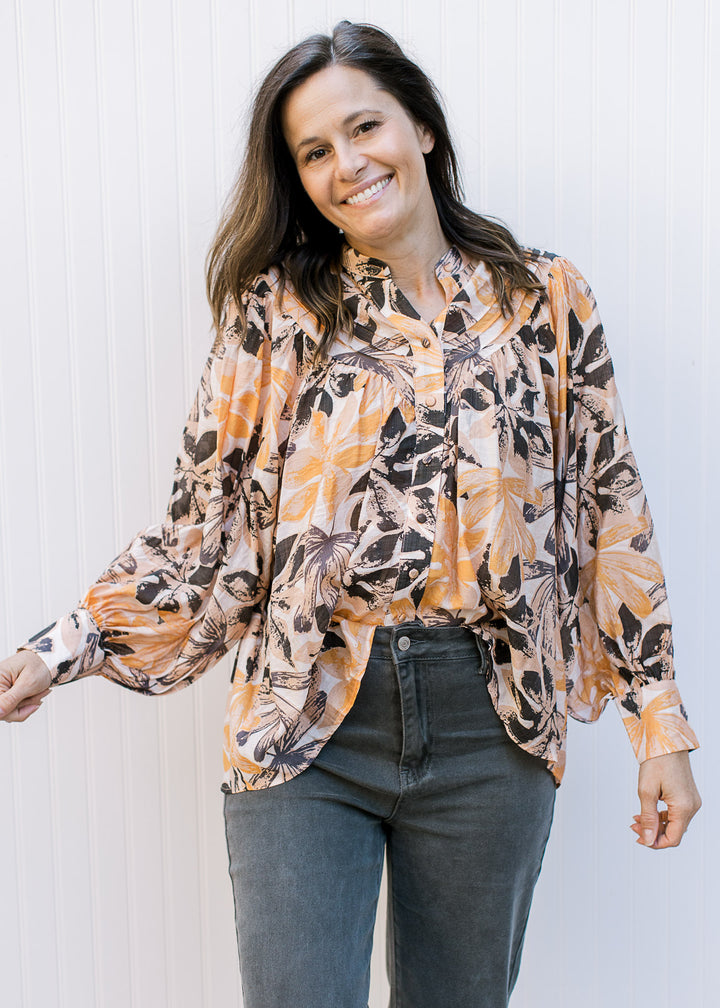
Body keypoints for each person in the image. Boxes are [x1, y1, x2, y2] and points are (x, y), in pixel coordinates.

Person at [0, 19, 701, 1008]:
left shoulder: (545, 298)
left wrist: (658, 728)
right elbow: (203, 527)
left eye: (364, 127)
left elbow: (610, 505)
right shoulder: (277, 310)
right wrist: (60, 648)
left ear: (419, 126)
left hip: (489, 729)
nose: (347, 165)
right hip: (306, 721)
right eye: (314, 152)